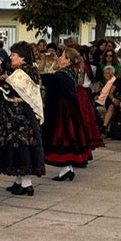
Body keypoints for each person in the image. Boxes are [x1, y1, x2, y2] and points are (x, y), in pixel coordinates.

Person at [0, 42, 46, 197]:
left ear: (23, 57)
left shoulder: (24, 71)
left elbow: (13, 91)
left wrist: (0, 82)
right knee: (18, 145)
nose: (11, 57)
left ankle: (26, 184)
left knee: (21, 145)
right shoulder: (25, 70)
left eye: (14, 55)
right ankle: (19, 181)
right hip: (20, 115)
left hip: (19, 117)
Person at [41, 47, 95, 178]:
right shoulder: (70, 72)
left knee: (62, 136)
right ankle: (67, 168)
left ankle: (66, 167)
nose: (59, 58)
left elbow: (46, 78)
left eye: (62, 57)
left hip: (62, 109)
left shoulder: (62, 75)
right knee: (68, 135)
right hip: (69, 108)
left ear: (68, 60)